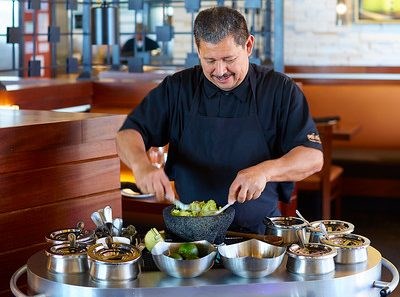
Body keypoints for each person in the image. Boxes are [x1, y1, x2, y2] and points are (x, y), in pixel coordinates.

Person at [116, 6, 323, 234]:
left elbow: (312, 157)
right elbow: (128, 133)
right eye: (210, 60)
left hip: (257, 234)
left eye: (229, 59)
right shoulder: (177, 88)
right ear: (198, 50)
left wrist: (266, 171)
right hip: (190, 232)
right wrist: (140, 165)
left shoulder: (280, 90)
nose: (220, 70)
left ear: (248, 46)